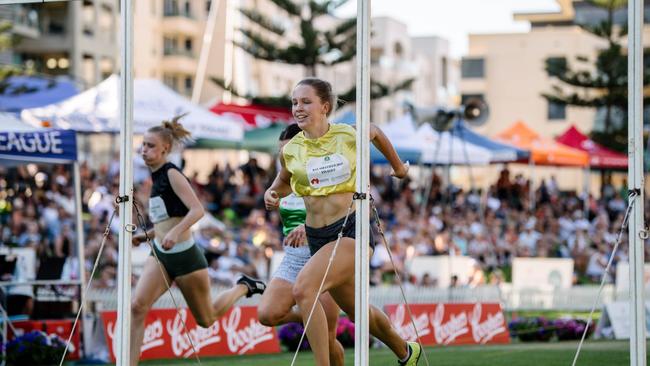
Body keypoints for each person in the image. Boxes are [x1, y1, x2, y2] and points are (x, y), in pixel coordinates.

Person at [264, 77, 421, 366]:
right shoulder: (292, 149)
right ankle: (406, 351)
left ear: (324, 106)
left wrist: (398, 167)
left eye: (306, 101)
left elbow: (374, 131)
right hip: (318, 237)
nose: (298, 108)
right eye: (295, 102)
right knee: (358, 313)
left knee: (303, 290)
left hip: (351, 231)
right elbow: (283, 182)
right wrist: (272, 193)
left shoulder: (346, 135)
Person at [130, 116, 266, 366]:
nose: (144, 150)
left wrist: (173, 233)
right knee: (137, 307)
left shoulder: (172, 173)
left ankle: (243, 287)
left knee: (207, 318)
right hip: (160, 252)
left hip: (185, 255)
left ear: (165, 149)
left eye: (150, 145)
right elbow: (165, 221)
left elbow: (197, 210)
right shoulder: (155, 177)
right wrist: (147, 235)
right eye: (143, 145)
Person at [257, 123, 344, 365]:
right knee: (267, 314)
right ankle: (305, 315)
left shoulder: (322, 173)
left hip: (323, 253)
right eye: (280, 152)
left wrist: (307, 226)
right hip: (294, 258)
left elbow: (337, 211)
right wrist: (270, 198)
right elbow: (276, 201)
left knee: (326, 339)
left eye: (289, 150)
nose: (284, 157)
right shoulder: (284, 179)